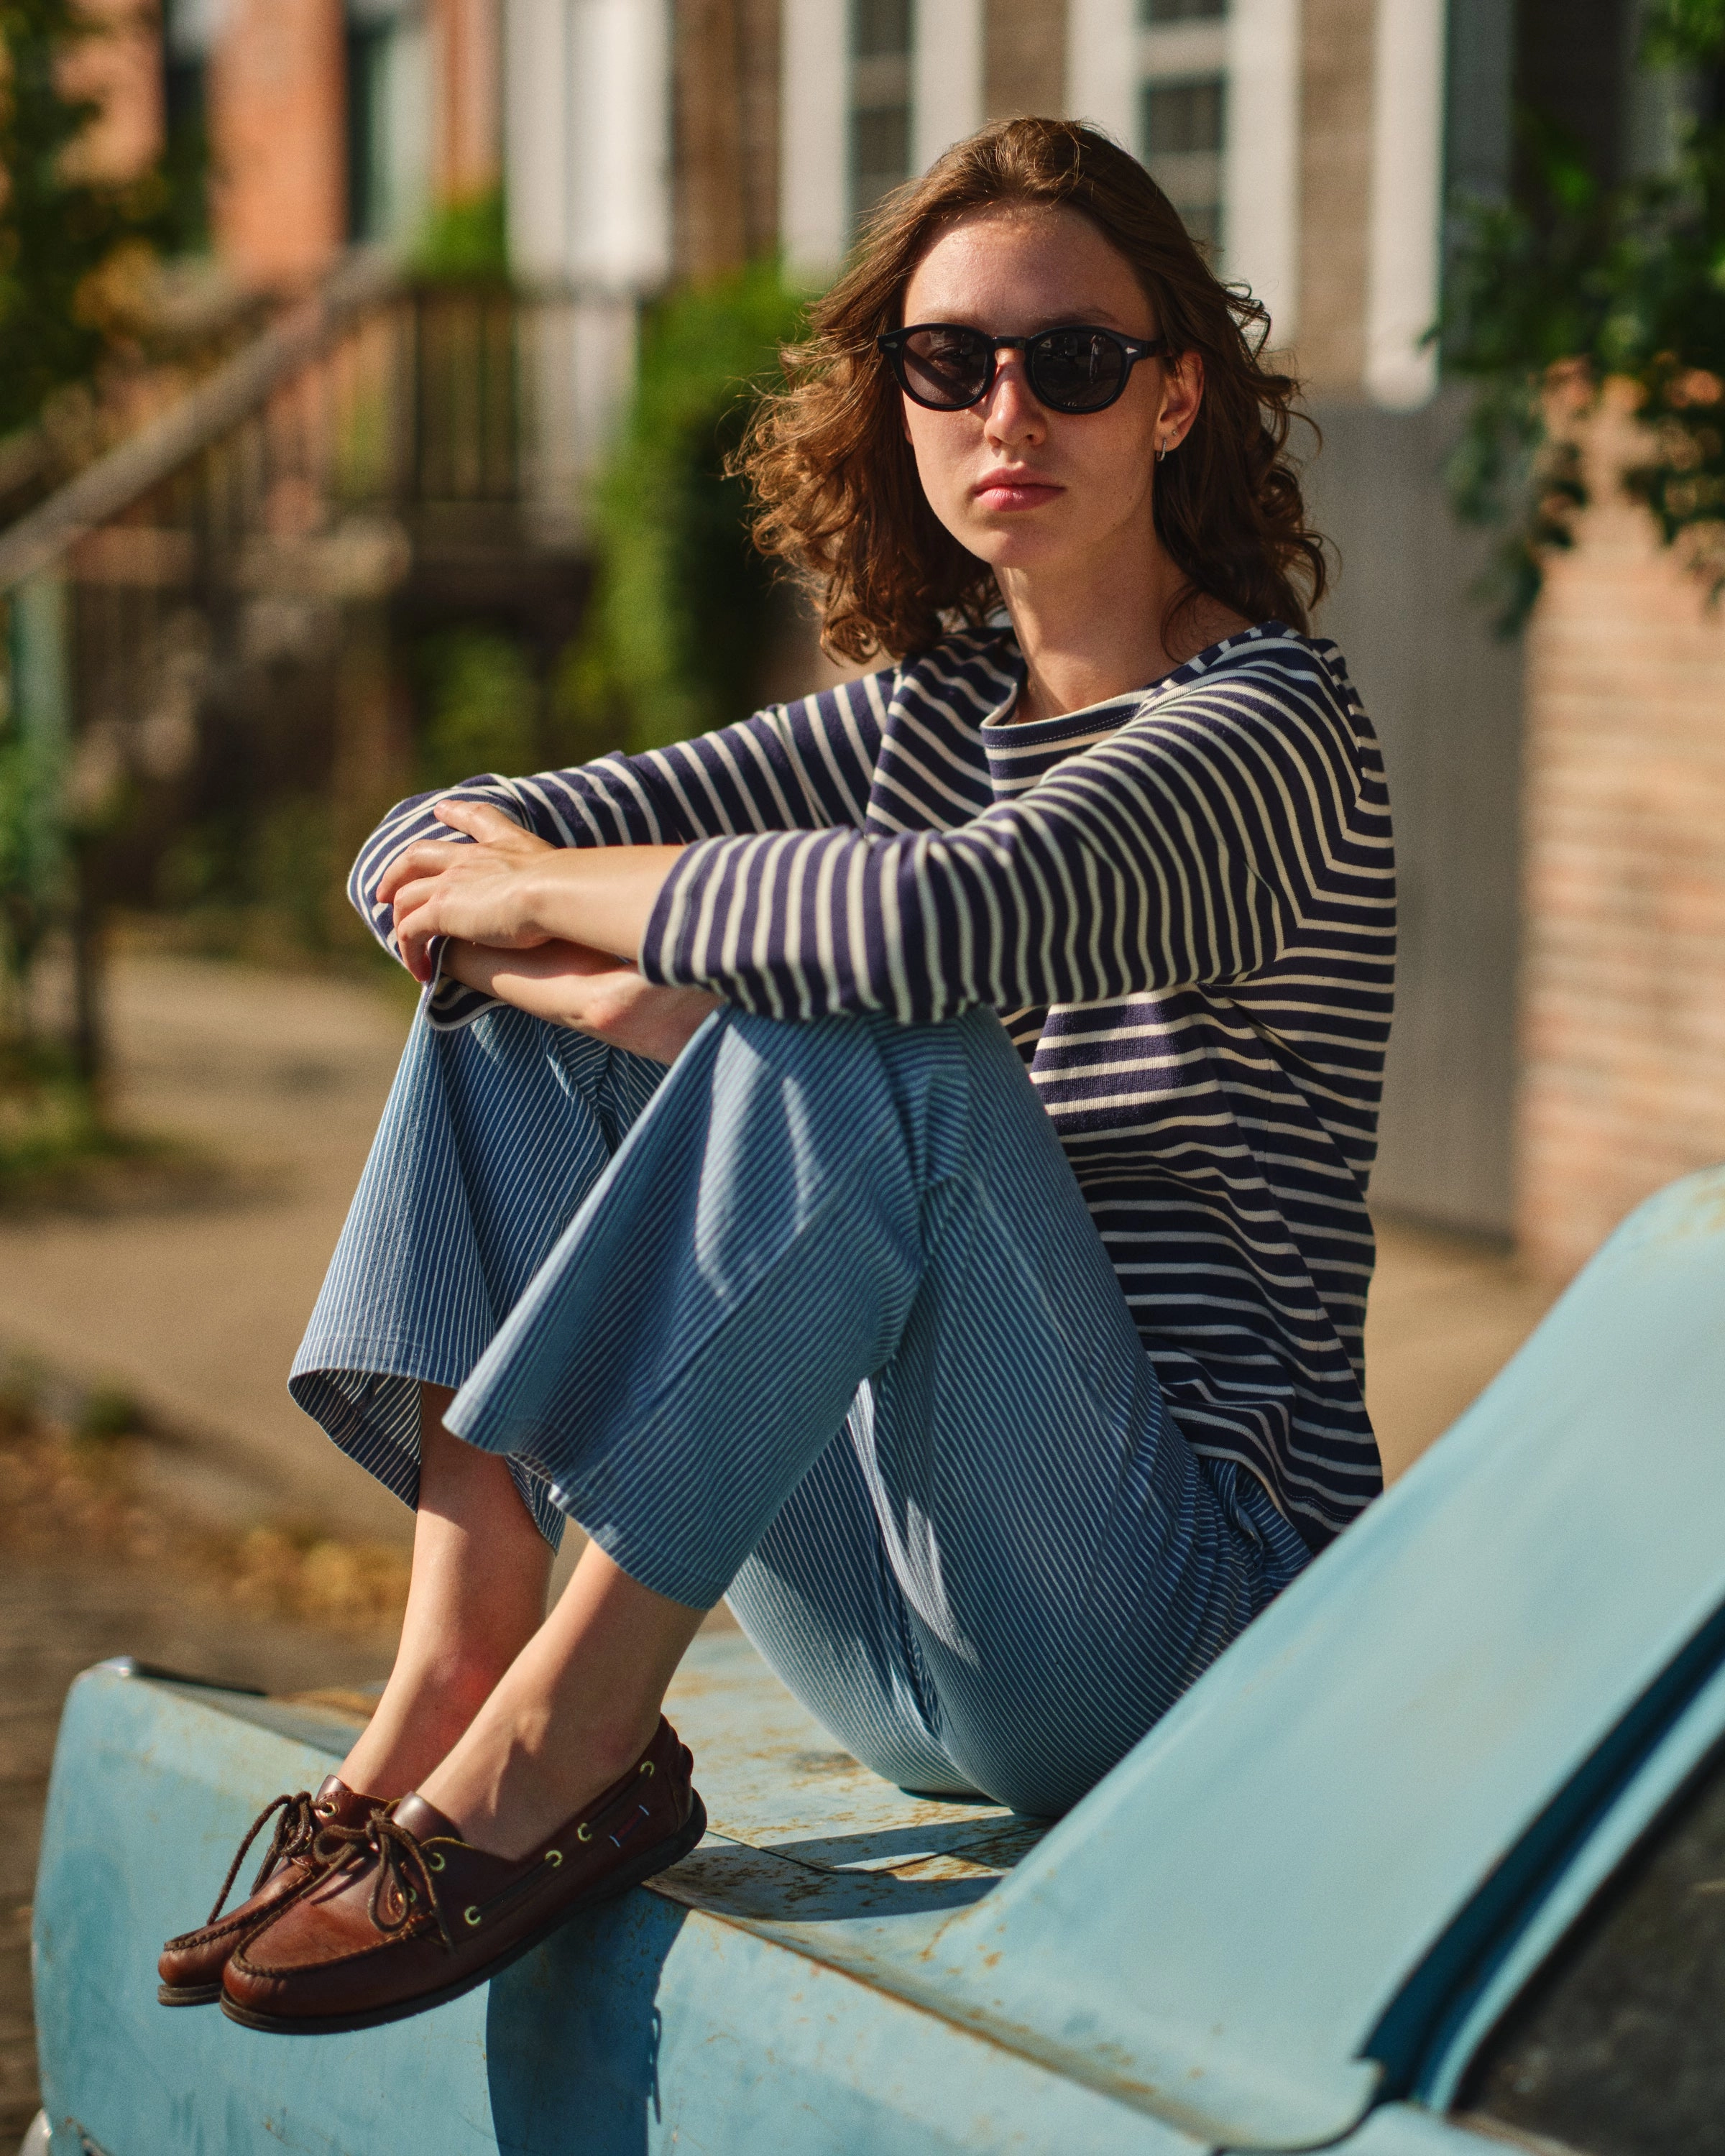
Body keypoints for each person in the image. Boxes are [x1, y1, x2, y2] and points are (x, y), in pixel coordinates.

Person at [160, 114, 1394, 2035]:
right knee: (553, 1009)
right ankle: (454, 1671)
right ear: (898, 399)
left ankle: (565, 1743)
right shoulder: (917, 721)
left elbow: (929, 926)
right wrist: (586, 964)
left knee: (862, 1012)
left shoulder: (1269, 735)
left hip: (1171, 1620)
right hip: (890, 1629)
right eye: (949, 359)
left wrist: (565, 915)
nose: (1008, 407)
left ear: (1174, 399)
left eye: (1074, 360)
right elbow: (419, 847)